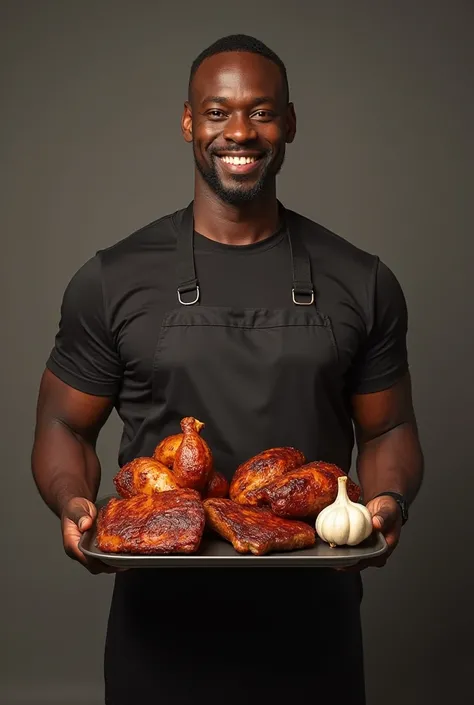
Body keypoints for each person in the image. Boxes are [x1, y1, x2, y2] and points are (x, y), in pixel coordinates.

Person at [32, 34, 424, 705]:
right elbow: (64, 424)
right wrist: (73, 500)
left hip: (315, 624)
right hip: (158, 626)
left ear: (290, 123)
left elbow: (389, 431)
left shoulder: (361, 280)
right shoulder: (112, 279)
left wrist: (385, 505)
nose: (239, 131)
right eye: (217, 113)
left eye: (261, 112)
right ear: (189, 121)